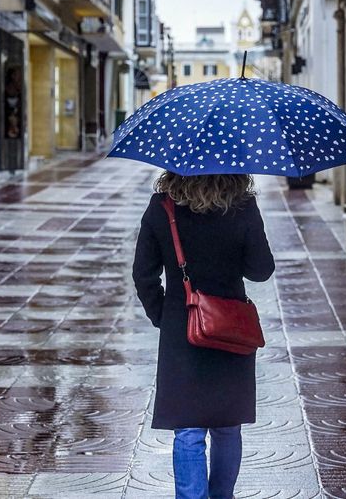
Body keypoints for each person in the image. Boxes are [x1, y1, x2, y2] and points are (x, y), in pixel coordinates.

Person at [132, 171, 276, 499]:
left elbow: (143, 274)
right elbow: (261, 270)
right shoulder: (242, 205)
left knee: (188, 430)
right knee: (227, 425)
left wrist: (165, 317)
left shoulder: (163, 207)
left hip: (181, 330)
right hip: (232, 329)